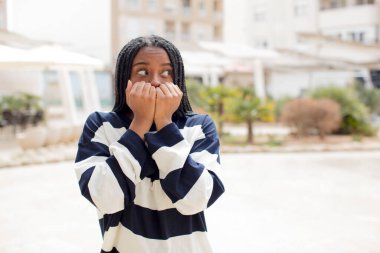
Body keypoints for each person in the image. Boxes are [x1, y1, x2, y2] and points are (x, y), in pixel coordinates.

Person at [74, 35, 225, 253]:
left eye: (166, 72)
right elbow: (105, 198)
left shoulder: (199, 127)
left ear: (178, 80)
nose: (155, 81)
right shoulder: (102, 126)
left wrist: (164, 124)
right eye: (143, 72)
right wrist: (141, 122)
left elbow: (196, 199)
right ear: (125, 79)